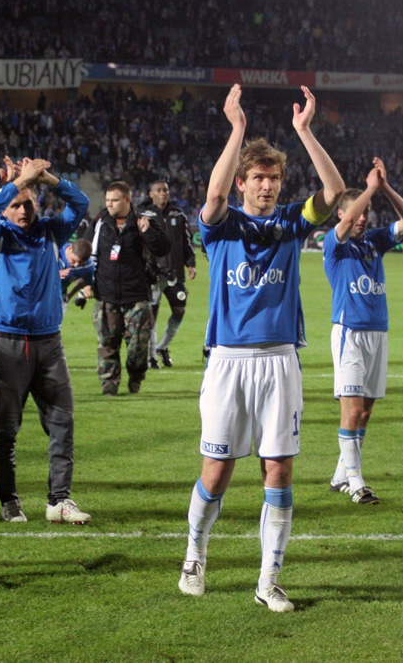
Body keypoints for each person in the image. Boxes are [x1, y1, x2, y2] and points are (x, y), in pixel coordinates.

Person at [179, 84, 345, 613]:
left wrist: (305, 131)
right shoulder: (221, 226)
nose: (268, 186)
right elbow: (212, 197)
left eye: (274, 178)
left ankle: (268, 580)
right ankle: (195, 554)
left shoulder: (292, 222)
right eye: (259, 178)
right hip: (228, 360)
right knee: (216, 473)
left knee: (279, 471)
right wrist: (237, 130)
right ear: (243, 182)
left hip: (280, 359)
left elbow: (335, 190)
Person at [0, 156, 92, 525]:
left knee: (62, 423)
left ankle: (59, 500)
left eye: (28, 203)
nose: (23, 210)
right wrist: (15, 183)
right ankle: (10, 501)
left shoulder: (51, 231)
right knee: (5, 429)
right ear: (6, 209)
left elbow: (81, 203)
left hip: (49, 343)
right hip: (9, 343)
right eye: (15, 205)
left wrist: (46, 178)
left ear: (38, 203)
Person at [324, 157, 403, 505]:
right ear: (341, 214)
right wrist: (369, 189)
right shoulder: (335, 244)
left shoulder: (375, 242)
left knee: (364, 412)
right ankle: (356, 482)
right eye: (357, 212)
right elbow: (349, 220)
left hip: (378, 333)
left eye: (367, 212)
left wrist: (386, 188)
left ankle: (340, 475)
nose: (363, 217)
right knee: (351, 412)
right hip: (349, 333)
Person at [89, 181, 170, 395]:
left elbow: (163, 248)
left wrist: (148, 232)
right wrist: (87, 284)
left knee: (138, 348)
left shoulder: (144, 220)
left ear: (127, 199)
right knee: (107, 345)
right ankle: (109, 384)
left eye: (114, 200)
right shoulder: (99, 222)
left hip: (136, 296)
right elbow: (89, 254)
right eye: (107, 200)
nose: (109, 204)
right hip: (106, 295)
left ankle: (136, 376)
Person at [141, 180, 197, 369]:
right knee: (151, 315)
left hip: (174, 273)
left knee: (179, 310)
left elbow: (186, 241)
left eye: (165, 190)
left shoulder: (178, 214)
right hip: (153, 274)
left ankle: (162, 347)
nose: (163, 193)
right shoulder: (144, 215)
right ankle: (151, 357)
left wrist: (191, 263)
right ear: (151, 194)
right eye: (159, 190)